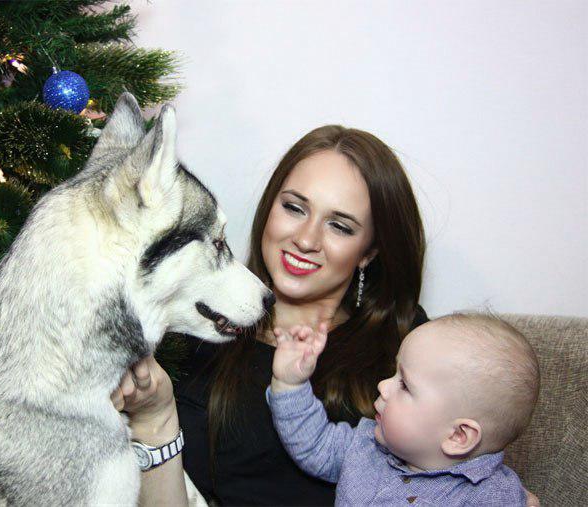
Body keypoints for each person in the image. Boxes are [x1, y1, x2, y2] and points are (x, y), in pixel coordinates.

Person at [111, 125, 539, 506]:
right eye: (294, 208)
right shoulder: (196, 330)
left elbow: (470, 460)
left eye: (340, 226)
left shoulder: (408, 343)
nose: (306, 239)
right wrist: (153, 420)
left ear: (369, 251)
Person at [267, 312, 540, 506]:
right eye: (394, 373)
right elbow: (315, 445)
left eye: (405, 385)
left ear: (458, 435)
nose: (383, 385)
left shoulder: (491, 496)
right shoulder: (364, 446)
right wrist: (290, 383)